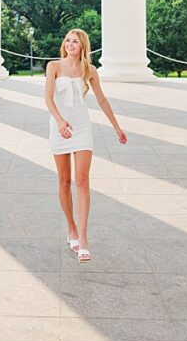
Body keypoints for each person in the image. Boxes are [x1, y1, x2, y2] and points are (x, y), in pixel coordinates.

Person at [44, 28, 127, 264]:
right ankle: (71, 228)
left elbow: (101, 99)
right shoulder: (53, 66)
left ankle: (83, 239)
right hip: (60, 127)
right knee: (64, 180)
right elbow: (48, 98)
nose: (70, 44)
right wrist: (60, 121)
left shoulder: (89, 70)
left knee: (81, 180)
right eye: (68, 40)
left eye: (75, 42)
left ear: (82, 46)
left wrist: (117, 127)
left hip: (81, 127)